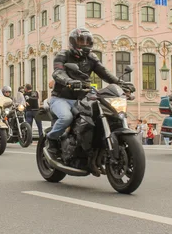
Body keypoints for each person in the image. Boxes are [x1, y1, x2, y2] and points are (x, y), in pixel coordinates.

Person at [47, 27, 135, 161]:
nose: (85, 44)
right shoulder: (63, 55)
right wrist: (69, 81)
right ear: (73, 42)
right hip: (61, 98)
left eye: (88, 41)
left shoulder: (91, 58)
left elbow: (104, 73)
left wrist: (121, 83)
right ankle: (52, 140)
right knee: (66, 117)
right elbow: (58, 73)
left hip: (83, 97)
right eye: (81, 41)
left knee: (97, 116)